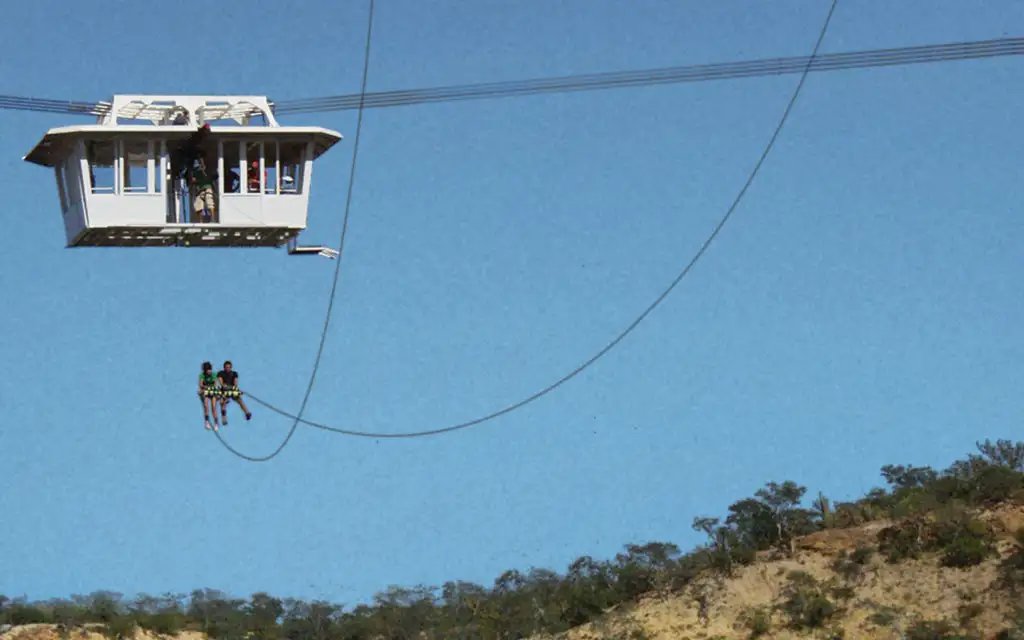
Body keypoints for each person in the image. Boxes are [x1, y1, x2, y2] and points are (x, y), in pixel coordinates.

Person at [189, 154, 217, 223]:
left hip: (207, 187)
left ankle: (213, 219)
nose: (200, 163)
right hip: (200, 189)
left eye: (201, 161)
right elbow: (194, 181)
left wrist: (204, 171)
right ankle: (200, 221)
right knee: (198, 205)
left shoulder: (209, 170)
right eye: (199, 161)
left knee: (209, 202)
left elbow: (215, 176)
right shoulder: (196, 171)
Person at [198, 361, 220, 430]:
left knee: (213, 407)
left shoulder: (214, 374)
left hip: (212, 391)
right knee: (206, 406)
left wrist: (209, 388)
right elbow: (201, 384)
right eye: (208, 370)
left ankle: (216, 423)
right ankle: (207, 422)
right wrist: (204, 389)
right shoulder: (202, 375)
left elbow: (215, 384)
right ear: (205, 371)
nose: (209, 371)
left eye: (210, 370)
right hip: (206, 392)